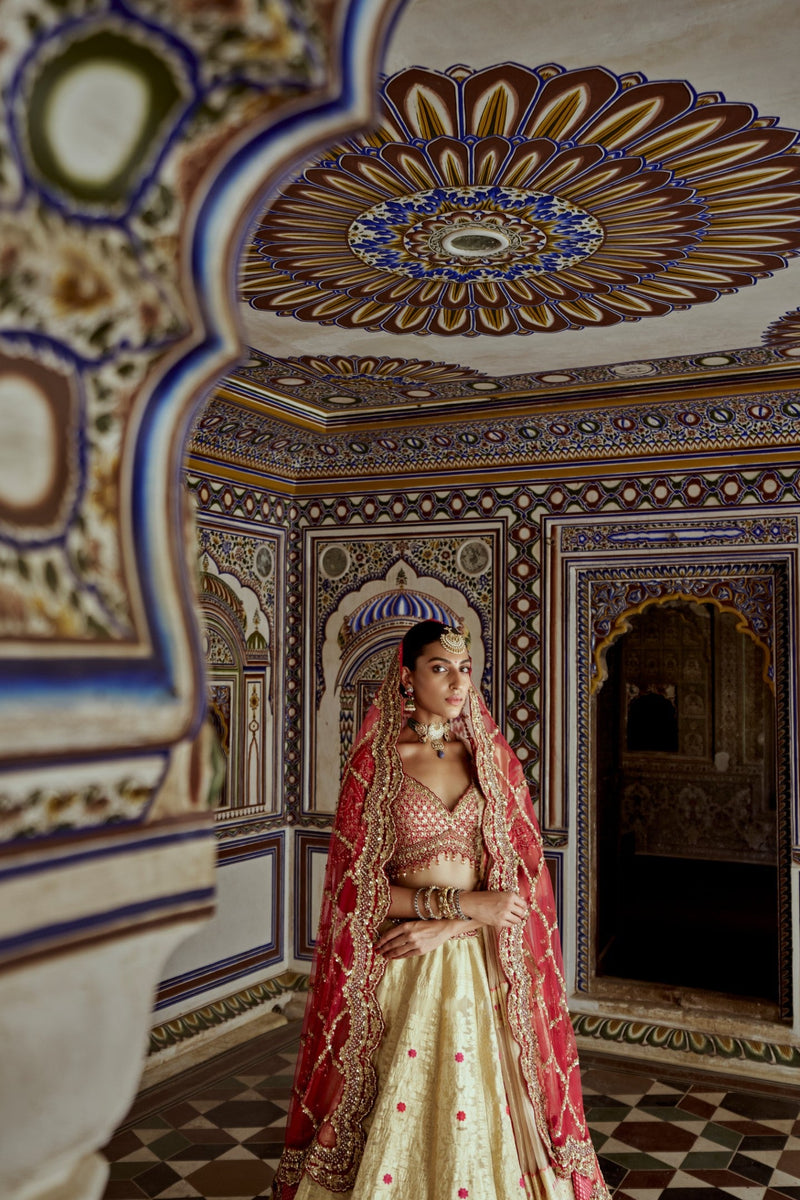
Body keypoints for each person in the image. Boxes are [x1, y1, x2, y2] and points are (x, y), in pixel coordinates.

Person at [273, 619, 607, 1200]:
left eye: (465, 669)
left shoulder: (491, 760)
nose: (458, 681)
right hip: (402, 965)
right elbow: (358, 891)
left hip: (484, 964)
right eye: (439, 668)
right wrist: (453, 906)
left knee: (488, 1104)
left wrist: (455, 920)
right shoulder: (375, 765)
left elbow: (523, 882)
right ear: (407, 677)